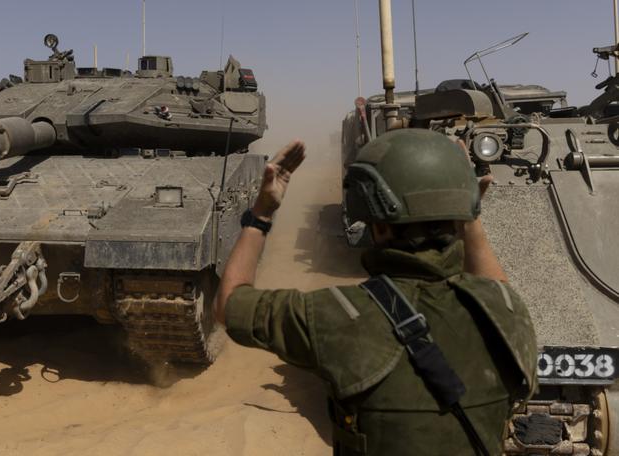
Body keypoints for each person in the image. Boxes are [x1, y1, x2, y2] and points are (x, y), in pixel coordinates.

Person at [215, 129, 538, 456]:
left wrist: (260, 216)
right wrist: (467, 210)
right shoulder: (506, 313)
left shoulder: (336, 314)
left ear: (379, 224)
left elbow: (229, 304)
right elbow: (497, 290)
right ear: (463, 212)